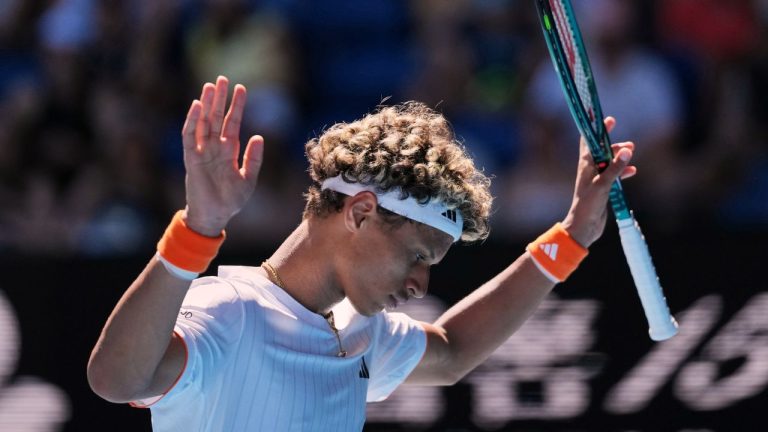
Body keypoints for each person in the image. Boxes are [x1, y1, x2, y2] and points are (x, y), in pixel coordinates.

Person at [87, 76, 636, 430]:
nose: (420, 284)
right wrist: (198, 231)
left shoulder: (360, 330)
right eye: (417, 255)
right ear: (360, 212)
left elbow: (453, 349)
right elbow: (117, 381)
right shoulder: (224, 310)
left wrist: (574, 235)